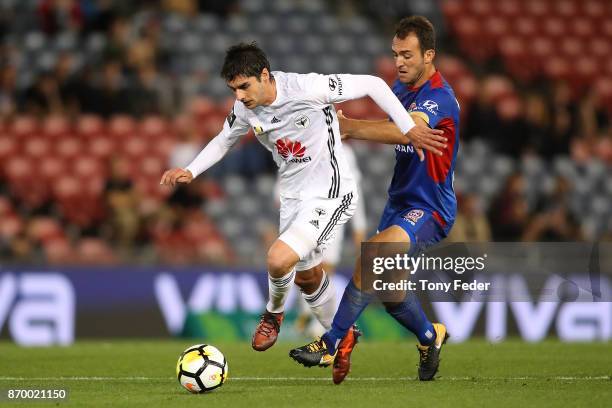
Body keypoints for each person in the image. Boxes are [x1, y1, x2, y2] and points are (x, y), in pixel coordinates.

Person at [160, 42, 444, 362]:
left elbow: (373, 84)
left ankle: (272, 315)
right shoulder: (245, 108)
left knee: (279, 260)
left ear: (264, 75)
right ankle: (345, 335)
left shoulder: (307, 88)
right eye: (233, 89)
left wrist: (409, 128)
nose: (239, 95)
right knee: (308, 277)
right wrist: (191, 169)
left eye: (244, 86)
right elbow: (224, 139)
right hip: (292, 195)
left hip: (329, 191)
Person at [289, 15, 458, 384]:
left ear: (429, 55)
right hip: (399, 203)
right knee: (391, 292)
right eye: (396, 54)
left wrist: (350, 127)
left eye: (408, 55)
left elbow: (408, 132)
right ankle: (431, 337)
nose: (399, 62)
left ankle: (331, 341)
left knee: (372, 253)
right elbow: (395, 126)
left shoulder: (439, 98)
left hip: (429, 208)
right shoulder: (400, 90)